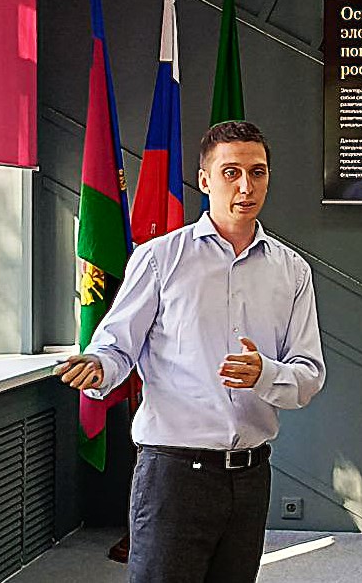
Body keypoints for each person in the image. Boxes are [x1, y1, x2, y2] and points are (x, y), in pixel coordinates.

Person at [54, 121, 326, 583]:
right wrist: (98, 366)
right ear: (204, 180)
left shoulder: (292, 271)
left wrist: (264, 373)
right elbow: (117, 345)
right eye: (231, 172)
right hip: (173, 475)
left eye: (257, 172)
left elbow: (308, 375)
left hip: (251, 476)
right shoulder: (160, 259)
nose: (246, 186)